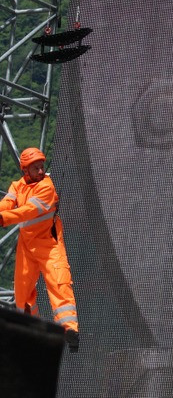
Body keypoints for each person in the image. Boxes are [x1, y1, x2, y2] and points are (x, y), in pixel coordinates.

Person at [0, 147, 79, 352]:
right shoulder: (17, 186)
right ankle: (30, 330)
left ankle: (69, 329)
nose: (42, 171)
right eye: (36, 168)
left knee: (59, 283)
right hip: (27, 246)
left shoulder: (46, 187)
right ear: (25, 170)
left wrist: (3, 219)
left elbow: (27, 212)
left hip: (49, 244)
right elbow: (7, 204)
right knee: (22, 294)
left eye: (42, 166)